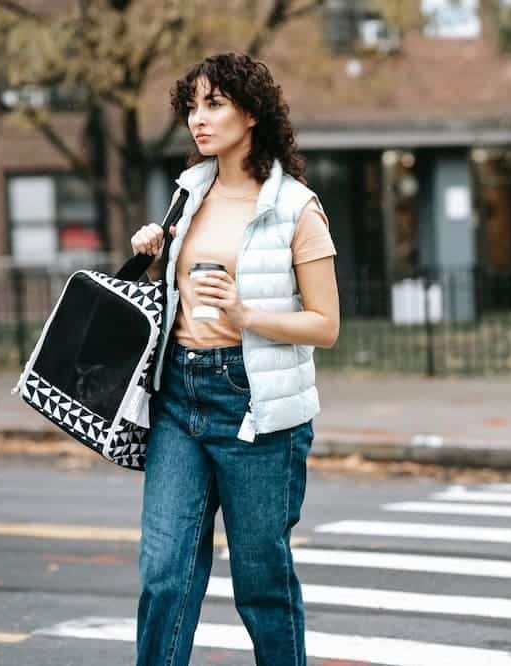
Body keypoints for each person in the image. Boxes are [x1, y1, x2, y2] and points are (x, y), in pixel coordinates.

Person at [129, 52, 340, 666]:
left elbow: (325, 325)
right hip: (179, 396)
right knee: (165, 572)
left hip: (256, 405)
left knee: (262, 586)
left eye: (214, 103)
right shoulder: (186, 195)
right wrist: (153, 252)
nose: (199, 118)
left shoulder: (297, 208)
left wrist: (248, 315)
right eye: (192, 105)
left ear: (250, 113)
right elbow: (176, 296)